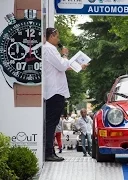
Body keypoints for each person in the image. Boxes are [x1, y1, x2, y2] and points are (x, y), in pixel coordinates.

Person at [43, 27, 88, 162]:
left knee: (53, 122)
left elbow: (63, 66)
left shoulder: (50, 49)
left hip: (55, 91)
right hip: (54, 92)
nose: (59, 39)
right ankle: (48, 152)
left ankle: (50, 151)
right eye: (57, 37)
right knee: (51, 123)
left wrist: (78, 66)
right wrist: (64, 54)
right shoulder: (49, 49)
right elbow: (63, 65)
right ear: (51, 36)